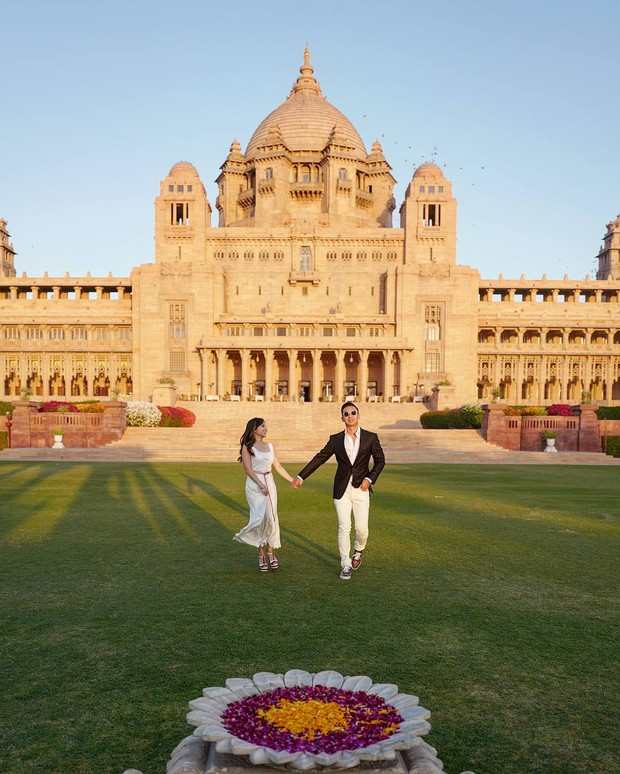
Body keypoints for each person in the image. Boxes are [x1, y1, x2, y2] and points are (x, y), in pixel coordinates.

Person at [291, 401, 385, 580]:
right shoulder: (335, 439)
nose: (350, 416)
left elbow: (380, 460)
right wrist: (301, 476)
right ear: (342, 417)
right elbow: (319, 458)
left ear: (358, 415)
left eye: (353, 413)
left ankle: (358, 550)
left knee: (362, 529)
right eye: (346, 413)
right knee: (344, 527)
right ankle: (345, 564)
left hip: (361, 489)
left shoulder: (370, 437)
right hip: (341, 489)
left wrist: (369, 479)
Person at [234, 417, 295, 572]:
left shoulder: (270, 446)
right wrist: (260, 485)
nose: (266, 428)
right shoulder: (247, 447)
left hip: (270, 482)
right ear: (254, 429)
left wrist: (292, 480)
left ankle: (270, 550)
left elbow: (278, 466)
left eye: (266, 425)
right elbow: (248, 469)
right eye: (262, 426)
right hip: (255, 485)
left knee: (271, 517)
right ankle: (261, 553)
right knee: (259, 518)